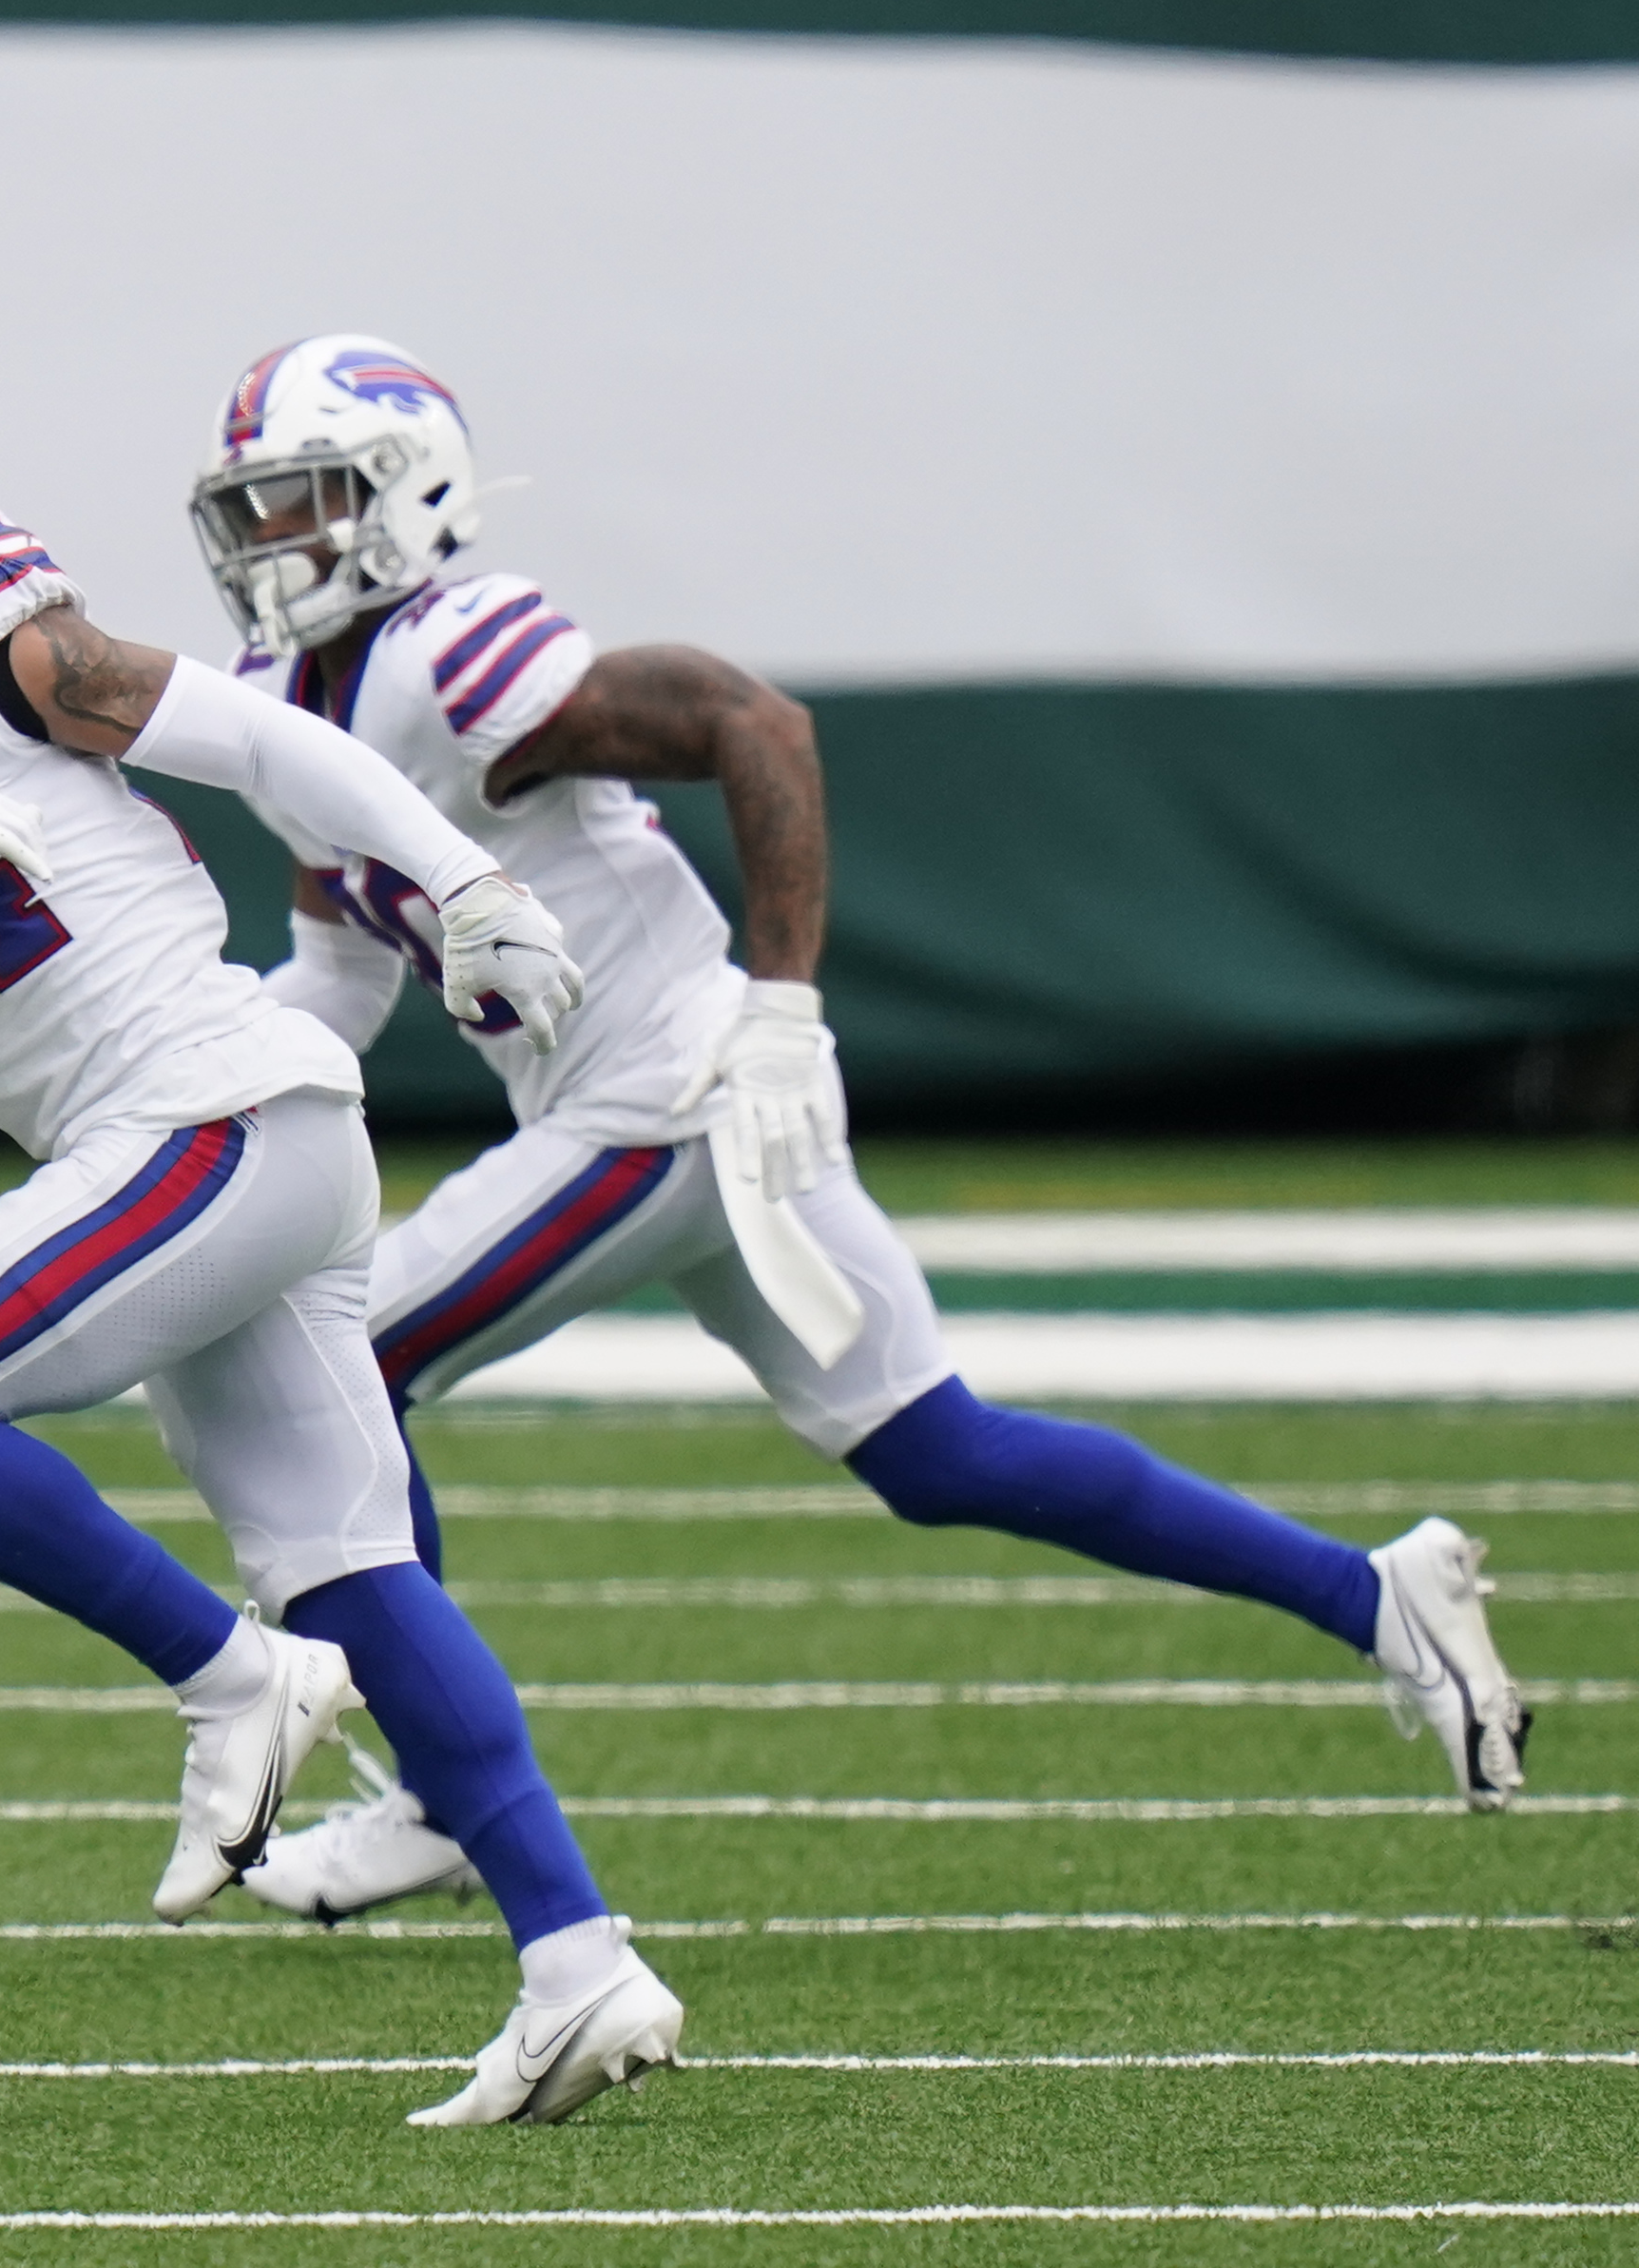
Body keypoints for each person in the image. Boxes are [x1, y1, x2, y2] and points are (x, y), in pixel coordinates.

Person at [177, 334, 1533, 1921]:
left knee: (352, 1359)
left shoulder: (454, 647)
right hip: (649, 1102)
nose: (275, 543)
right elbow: (341, 972)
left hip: (665, 1087)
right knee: (935, 1448)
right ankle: (1377, 1595)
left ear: (406, 496)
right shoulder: (291, 703)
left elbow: (760, 724)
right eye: (255, 512)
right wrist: (196, 1070)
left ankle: (437, 1790)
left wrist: (785, 1003)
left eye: (308, 501)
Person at [0, 364, 682, 2128]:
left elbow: (241, 737)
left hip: (205, 1103)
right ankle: (576, 1964)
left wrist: (462, 881)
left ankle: (236, 1681)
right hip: (216, 1141)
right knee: (349, 1564)